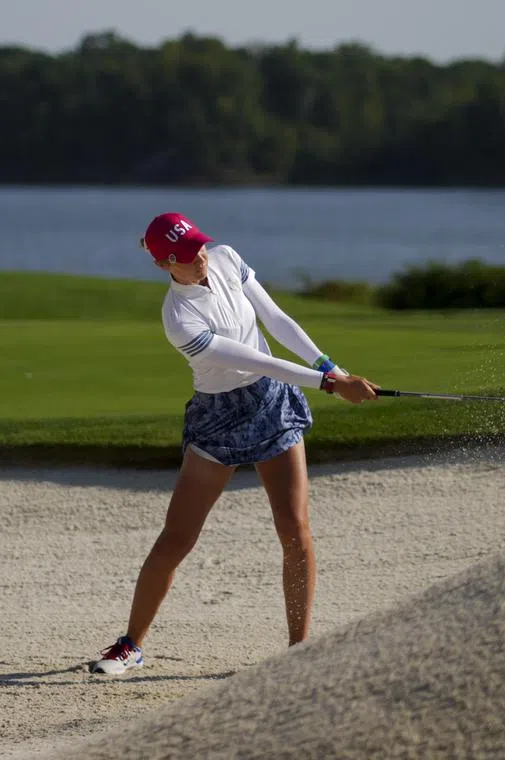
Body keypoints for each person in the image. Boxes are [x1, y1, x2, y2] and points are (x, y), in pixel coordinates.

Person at [91, 212, 381, 675]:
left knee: (293, 527)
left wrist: (332, 367)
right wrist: (328, 385)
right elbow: (256, 361)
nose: (201, 258)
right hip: (218, 416)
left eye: (200, 246)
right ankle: (130, 645)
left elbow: (276, 320)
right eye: (187, 257)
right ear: (164, 264)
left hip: (272, 406)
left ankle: (298, 649)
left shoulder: (226, 258)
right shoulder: (178, 317)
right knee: (177, 538)